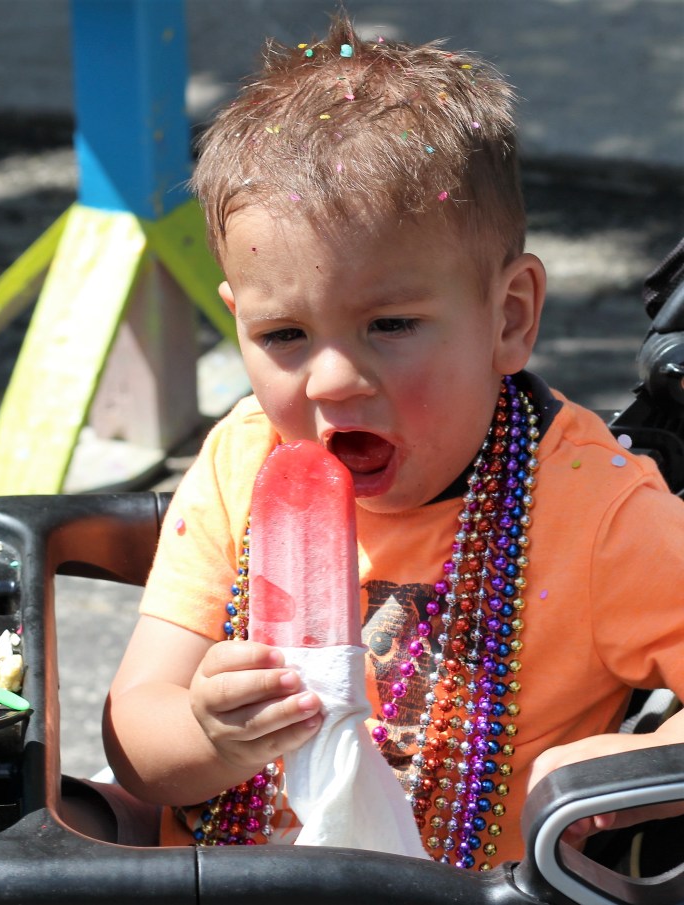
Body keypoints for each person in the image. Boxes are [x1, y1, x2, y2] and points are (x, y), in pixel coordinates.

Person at [100, 13, 684, 869]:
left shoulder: (594, 511)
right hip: (221, 876)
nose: (331, 381)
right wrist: (205, 733)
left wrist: (626, 767)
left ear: (509, 316)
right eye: (285, 336)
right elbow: (135, 734)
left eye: (391, 323)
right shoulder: (240, 464)